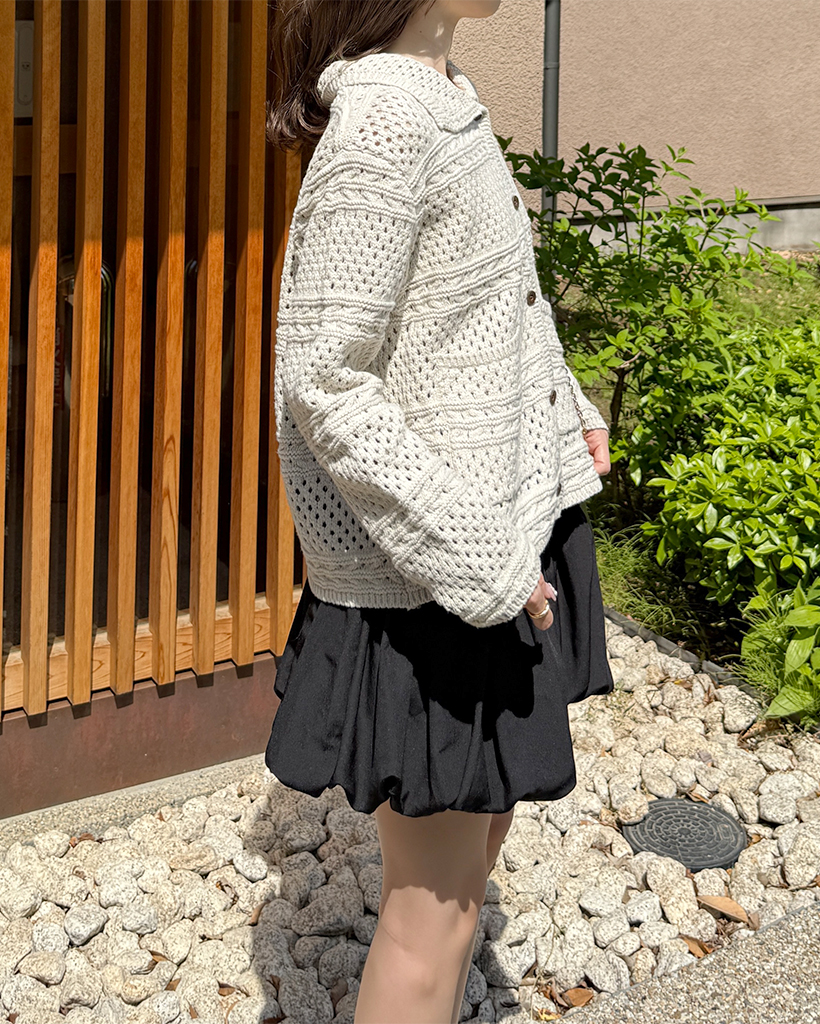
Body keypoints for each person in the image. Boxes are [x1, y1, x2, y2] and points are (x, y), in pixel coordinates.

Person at [264, 2, 614, 1021]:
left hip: (497, 528)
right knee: (434, 918)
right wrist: (479, 560)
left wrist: (565, 406)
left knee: (473, 857)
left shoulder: (446, 90)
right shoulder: (385, 122)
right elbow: (326, 381)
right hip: (437, 577)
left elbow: (496, 303)